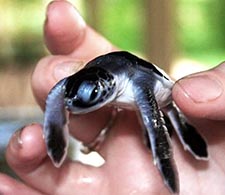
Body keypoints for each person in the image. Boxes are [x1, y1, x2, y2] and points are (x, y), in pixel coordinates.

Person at [1, 1, 225, 194]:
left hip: (159, 90)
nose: (80, 106)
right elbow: (59, 94)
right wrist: (56, 130)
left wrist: (166, 167)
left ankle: (185, 144)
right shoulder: (83, 76)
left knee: (167, 119)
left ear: (109, 85)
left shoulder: (137, 83)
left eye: (96, 95)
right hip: (109, 79)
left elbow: (156, 129)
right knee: (55, 85)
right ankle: (57, 144)